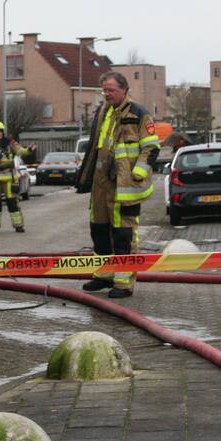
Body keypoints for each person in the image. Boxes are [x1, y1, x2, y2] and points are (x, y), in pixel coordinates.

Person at [75, 71, 159, 298]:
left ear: (125, 89)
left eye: (111, 90)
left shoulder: (139, 113)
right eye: (104, 90)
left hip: (125, 184)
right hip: (101, 181)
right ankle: (104, 275)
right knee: (99, 230)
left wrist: (138, 173)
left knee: (123, 234)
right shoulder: (103, 111)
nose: (107, 94)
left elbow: (152, 147)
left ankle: (123, 283)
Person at [0, 121, 33, 233]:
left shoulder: (10, 143)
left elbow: (21, 151)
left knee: (12, 202)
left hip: (9, 178)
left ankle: (18, 225)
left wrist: (28, 150)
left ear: (3, 132)